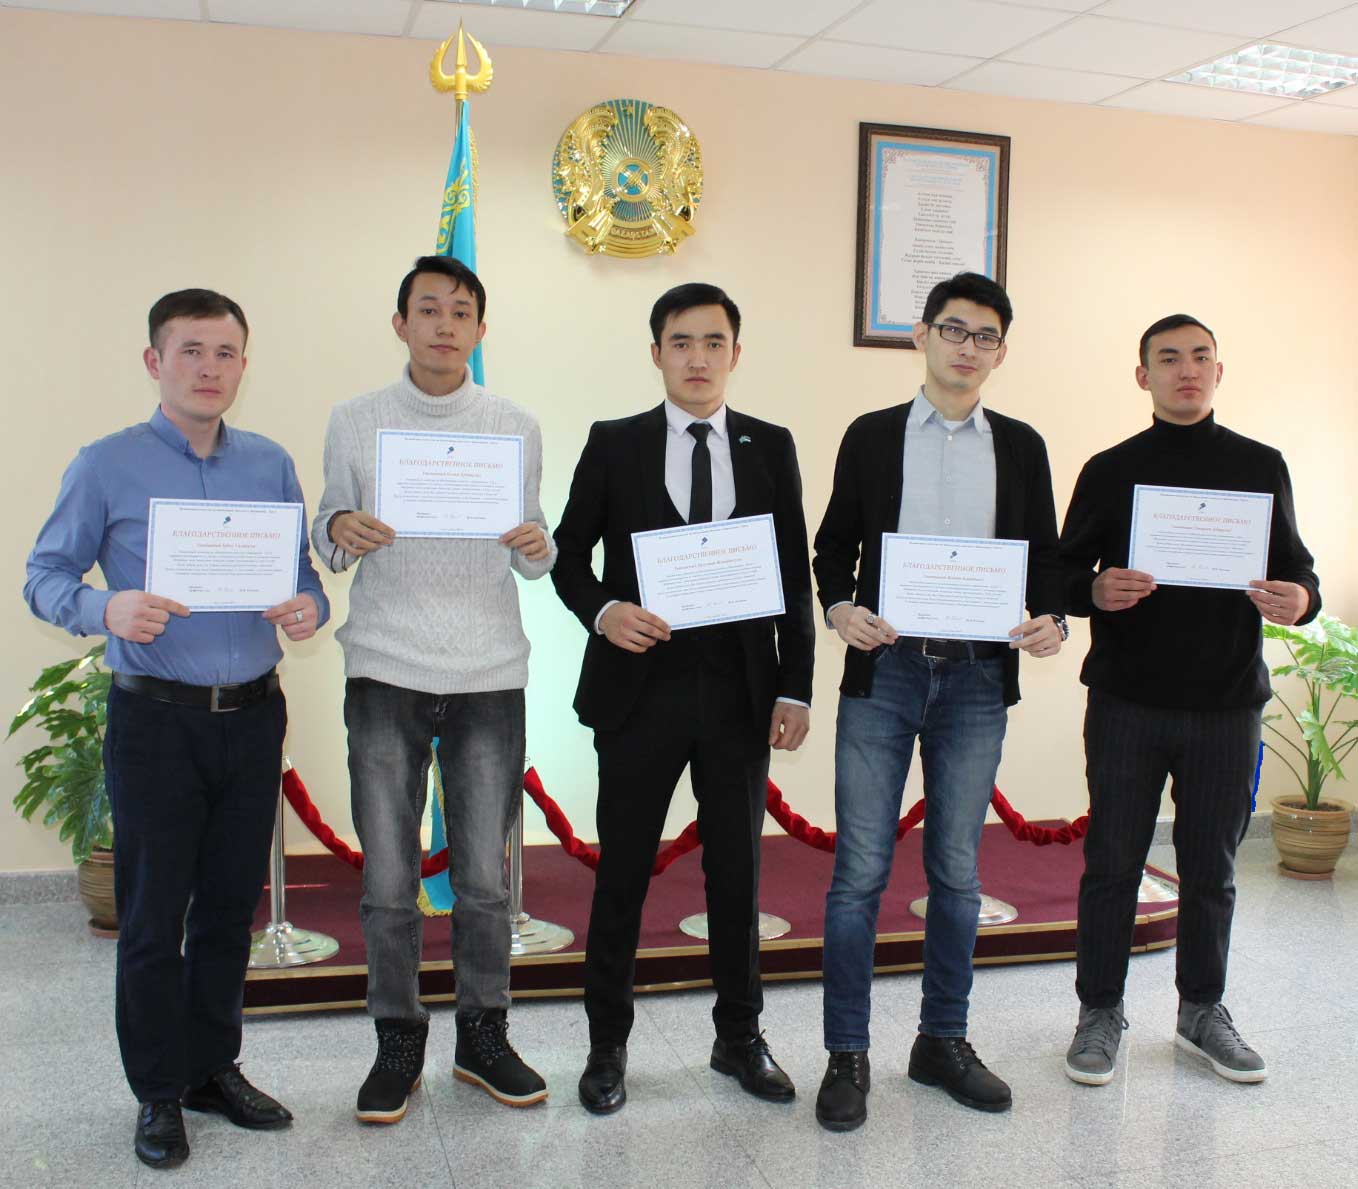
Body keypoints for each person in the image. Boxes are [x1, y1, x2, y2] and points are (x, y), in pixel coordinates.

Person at [24, 289, 329, 1170]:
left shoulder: (268, 463)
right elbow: (44, 576)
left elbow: (302, 573)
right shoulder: (105, 463)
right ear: (155, 362)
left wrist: (307, 607)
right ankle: (158, 1091)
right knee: (155, 916)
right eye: (190, 350)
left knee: (231, 908)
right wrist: (105, 607)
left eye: (225, 353)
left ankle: (211, 1068)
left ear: (244, 365)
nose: (208, 368)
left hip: (253, 714)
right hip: (156, 719)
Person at [552, 282, 815, 1114]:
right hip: (640, 693)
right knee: (623, 872)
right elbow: (567, 554)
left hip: (740, 696)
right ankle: (607, 1045)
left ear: (736, 353)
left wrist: (797, 685)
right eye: (681, 342)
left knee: (737, 875)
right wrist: (605, 610)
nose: (697, 358)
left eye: (713, 342)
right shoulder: (615, 442)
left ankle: (740, 1036)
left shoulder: (770, 445)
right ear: (656, 352)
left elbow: (793, 575)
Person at [812, 272, 1066, 1130]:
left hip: (977, 680)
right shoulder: (872, 436)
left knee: (958, 871)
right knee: (859, 872)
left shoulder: (1022, 446)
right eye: (953, 329)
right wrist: (839, 609)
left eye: (985, 335)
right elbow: (832, 549)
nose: (968, 347)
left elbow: (1047, 558)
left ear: (1002, 351)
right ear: (921, 335)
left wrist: (1052, 618)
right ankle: (848, 1053)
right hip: (884, 674)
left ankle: (942, 1041)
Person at [312, 255, 554, 1123]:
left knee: (485, 877)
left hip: (488, 671)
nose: (444, 324)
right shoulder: (355, 419)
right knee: (388, 877)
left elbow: (535, 549)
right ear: (400, 324)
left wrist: (539, 546)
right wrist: (340, 527)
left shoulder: (515, 424)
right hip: (386, 667)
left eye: (460, 311)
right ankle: (397, 1040)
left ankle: (483, 1034)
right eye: (428, 309)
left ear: (481, 330)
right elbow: (327, 536)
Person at [1059, 314, 1319, 1088]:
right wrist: (1094, 590)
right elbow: (1060, 575)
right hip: (1127, 702)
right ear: (1143, 376)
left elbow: (1300, 571)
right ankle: (1099, 1011)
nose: (1187, 370)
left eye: (1201, 356)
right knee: (1112, 862)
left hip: (1226, 704)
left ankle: (1202, 1010)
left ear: (1218, 371)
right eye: (1168, 358)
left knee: (1213, 866)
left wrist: (1299, 600)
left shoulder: (1260, 465)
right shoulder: (1111, 468)